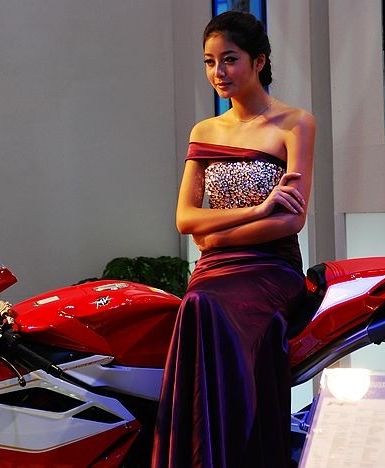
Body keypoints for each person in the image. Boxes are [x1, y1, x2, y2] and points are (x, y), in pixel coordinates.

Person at [152, 10, 315, 468]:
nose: (218, 72)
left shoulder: (295, 123)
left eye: (229, 59)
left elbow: (291, 222)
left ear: (259, 61)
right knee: (197, 303)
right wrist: (258, 209)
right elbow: (185, 218)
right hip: (214, 273)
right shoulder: (205, 131)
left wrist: (217, 237)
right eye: (209, 62)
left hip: (271, 268)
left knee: (205, 305)